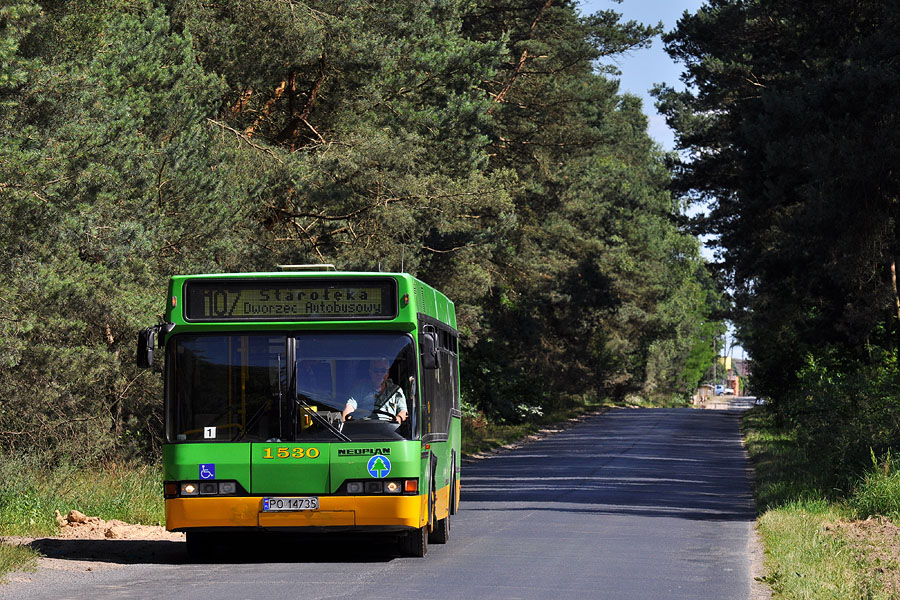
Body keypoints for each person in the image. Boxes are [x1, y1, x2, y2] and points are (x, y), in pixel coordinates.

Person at [342, 359, 408, 423]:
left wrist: (399, 418)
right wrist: (345, 422)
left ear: (388, 373)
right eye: (376, 370)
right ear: (370, 372)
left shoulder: (395, 390)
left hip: (388, 429)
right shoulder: (360, 388)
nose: (379, 374)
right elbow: (349, 407)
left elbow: (403, 411)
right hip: (363, 427)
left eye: (383, 370)